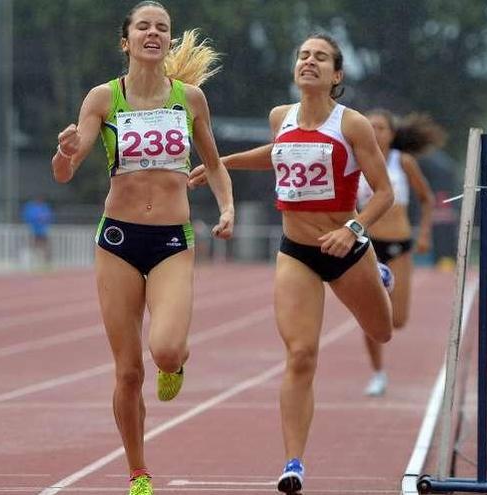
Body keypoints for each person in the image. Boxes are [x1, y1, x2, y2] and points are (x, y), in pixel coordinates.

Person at [189, 33, 393, 495]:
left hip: (347, 249)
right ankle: (293, 463)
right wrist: (222, 163)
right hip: (296, 252)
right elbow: (277, 157)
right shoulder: (280, 117)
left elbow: (384, 193)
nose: (309, 62)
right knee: (301, 355)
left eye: (321, 58)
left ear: (336, 75)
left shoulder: (353, 125)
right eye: (303, 55)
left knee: (381, 330)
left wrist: (354, 231)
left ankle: (379, 275)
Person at [50, 3, 234, 494]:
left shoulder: (189, 99)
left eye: (162, 28)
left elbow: (214, 163)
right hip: (117, 241)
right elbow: (69, 166)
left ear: (169, 42)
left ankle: (175, 364)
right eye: (143, 26)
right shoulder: (103, 98)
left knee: (167, 351)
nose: (153, 33)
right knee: (129, 372)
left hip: (173, 241)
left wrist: (227, 207)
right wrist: (65, 152)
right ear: (125, 41)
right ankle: (138, 471)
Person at [356, 110, 444, 396]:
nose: (375, 131)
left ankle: (384, 296)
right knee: (370, 317)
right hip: (367, 246)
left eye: (381, 127)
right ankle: (378, 374)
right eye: (370, 127)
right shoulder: (355, 162)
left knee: (398, 320)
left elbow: (426, 198)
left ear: (392, 133)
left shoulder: (402, 162)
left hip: (399, 245)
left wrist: (425, 233)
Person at [21, 196, 54, 263]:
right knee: (34, 245)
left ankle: (46, 261)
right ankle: (34, 259)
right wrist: (39, 219)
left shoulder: (44, 207)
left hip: (42, 231)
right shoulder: (31, 207)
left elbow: (49, 217)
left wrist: (44, 219)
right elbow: (28, 217)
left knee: (45, 245)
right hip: (33, 230)